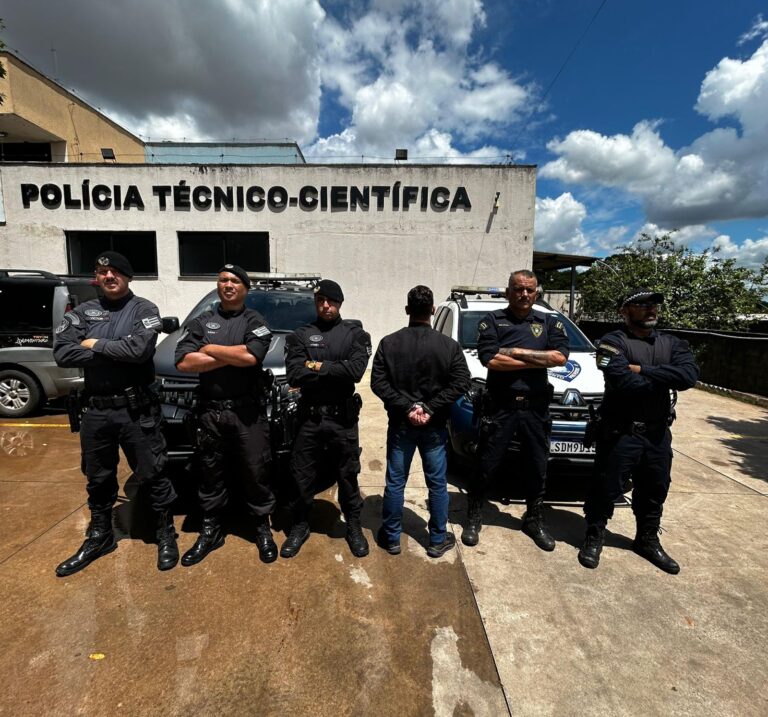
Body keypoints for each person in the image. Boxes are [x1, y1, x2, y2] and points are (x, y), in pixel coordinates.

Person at [53, 251, 178, 576]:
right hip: (96, 412)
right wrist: (112, 347)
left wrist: (94, 344)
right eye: (102, 272)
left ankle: (166, 533)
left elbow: (139, 351)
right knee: (98, 478)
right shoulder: (83, 311)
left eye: (115, 272)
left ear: (127, 276)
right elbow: (64, 353)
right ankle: (100, 535)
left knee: (153, 474)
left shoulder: (144, 309)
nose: (109, 277)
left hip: (136, 412)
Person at [578, 288, 698, 573]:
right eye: (642, 304)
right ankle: (594, 535)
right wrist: (662, 375)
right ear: (625, 311)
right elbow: (622, 381)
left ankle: (646, 539)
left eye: (654, 304)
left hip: (657, 434)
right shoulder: (611, 342)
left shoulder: (672, 343)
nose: (651, 309)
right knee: (606, 488)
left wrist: (641, 369)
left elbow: (688, 377)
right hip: (620, 432)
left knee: (655, 487)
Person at [175, 264, 278, 565]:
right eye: (222, 280)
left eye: (235, 281)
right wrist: (229, 354)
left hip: (248, 412)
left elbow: (251, 357)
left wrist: (209, 349)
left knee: (256, 471)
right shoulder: (201, 321)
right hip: (210, 413)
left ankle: (262, 527)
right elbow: (183, 362)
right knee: (209, 473)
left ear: (245, 288)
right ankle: (211, 530)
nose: (228, 285)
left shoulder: (254, 320)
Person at [462, 269, 569, 551]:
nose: (524, 294)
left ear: (537, 292)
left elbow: (559, 358)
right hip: (501, 407)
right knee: (487, 464)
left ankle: (533, 519)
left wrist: (517, 352)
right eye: (518, 289)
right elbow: (491, 360)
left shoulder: (549, 322)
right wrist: (538, 360)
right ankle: (474, 515)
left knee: (537, 465)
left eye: (529, 290)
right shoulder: (493, 321)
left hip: (535, 408)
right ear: (508, 291)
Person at [371, 285, 470, 557]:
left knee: (395, 481)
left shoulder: (389, 343)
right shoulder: (448, 346)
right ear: (433, 310)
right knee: (437, 483)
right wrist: (429, 407)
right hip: (434, 426)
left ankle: (392, 538)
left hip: (402, 425)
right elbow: (461, 382)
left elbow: (378, 383)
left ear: (407, 311)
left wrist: (408, 407)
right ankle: (437, 540)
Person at [281, 279, 371, 559]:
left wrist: (316, 365)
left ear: (340, 303)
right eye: (320, 300)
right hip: (309, 419)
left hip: (342, 420)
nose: (325, 305)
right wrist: (335, 368)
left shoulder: (356, 335)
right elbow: (295, 374)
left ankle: (353, 525)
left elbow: (355, 371)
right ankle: (300, 524)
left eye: (330, 301)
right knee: (301, 474)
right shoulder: (300, 335)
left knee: (347, 474)